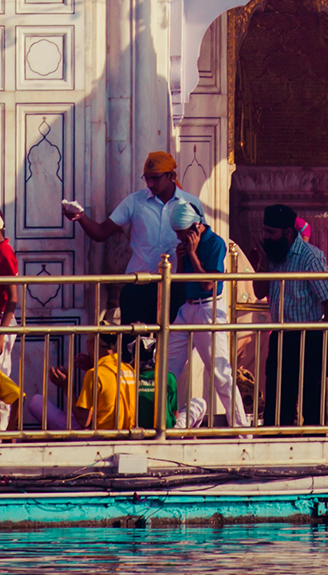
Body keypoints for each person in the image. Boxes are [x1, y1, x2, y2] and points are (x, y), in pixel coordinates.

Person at [63, 151, 182, 335]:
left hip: (174, 286)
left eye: (155, 178)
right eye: (147, 179)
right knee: (134, 348)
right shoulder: (135, 201)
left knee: (171, 345)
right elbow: (102, 232)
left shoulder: (189, 204)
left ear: (171, 176)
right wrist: (81, 218)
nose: (150, 184)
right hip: (138, 287)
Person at [169, 196, 249, 428]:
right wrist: (181, 258)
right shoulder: (186, 244)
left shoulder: (215, 243)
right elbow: (182, 281)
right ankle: (163, 422)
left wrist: (192, 254)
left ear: (196, 227)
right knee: (167, 370)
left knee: (221, 374)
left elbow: (208, 284)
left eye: (181, 232)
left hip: (208, 308)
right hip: (187, 308)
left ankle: (242, 430)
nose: (179, 237)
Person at [258, 202, 328, 425]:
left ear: (288, 232)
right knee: (277, 407)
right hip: (281, 337)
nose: (266, 236)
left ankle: (315, 453)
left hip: (308, 337)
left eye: (270, 232)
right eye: (264, 230)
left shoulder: (310, 257)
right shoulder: (273, 254)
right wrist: (262, 262)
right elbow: (259, 291)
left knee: (311, 406)